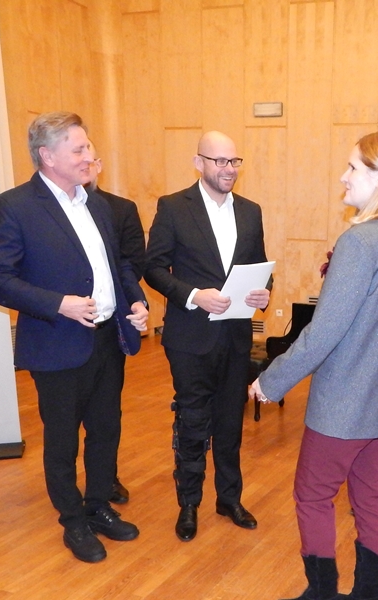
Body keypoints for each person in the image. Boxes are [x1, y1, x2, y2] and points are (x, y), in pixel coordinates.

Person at [249, 131, 378, 600]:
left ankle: (323, 599)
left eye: (353, 168)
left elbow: (323, 332)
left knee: (313, 496)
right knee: (370, 497)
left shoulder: (360, 242)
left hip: (345, 407)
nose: (343, 177)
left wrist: (271, 381)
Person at [0, 111, 148, 564]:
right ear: (47, 156)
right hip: (56, 343)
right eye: (79, 149)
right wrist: (59, 304)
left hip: (107, 340)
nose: (90, 155)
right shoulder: (16, 206)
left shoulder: (96, 204)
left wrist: (134, 302)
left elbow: (119, 265)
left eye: (88, 146)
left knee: (106, 431)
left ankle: (98, 506)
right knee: (62, 441)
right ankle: (73, 521)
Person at [145, 131, 269, 542]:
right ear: (199, 163)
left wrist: (264, 293)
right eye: (220, 161)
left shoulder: (250, 211)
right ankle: (189, 503)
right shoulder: (173, 207)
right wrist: (194, 295)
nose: (229, 169)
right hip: (190, 337)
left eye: (234, 161)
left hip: (235, 336)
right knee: (193, 421)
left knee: (231, 421)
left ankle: (229, 499)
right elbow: (153, 268)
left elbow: (259, 267)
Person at [84, 142, 147, 505]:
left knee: (106, 416)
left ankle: (106, 480)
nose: (84, 164)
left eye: (89, 157)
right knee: (64, 423)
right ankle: (70, 492)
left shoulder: (120, 209)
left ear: (99, 165)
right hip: (64, 330)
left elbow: (132, 263)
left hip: (110, 329)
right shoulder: (41, 210)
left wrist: (135, 299)